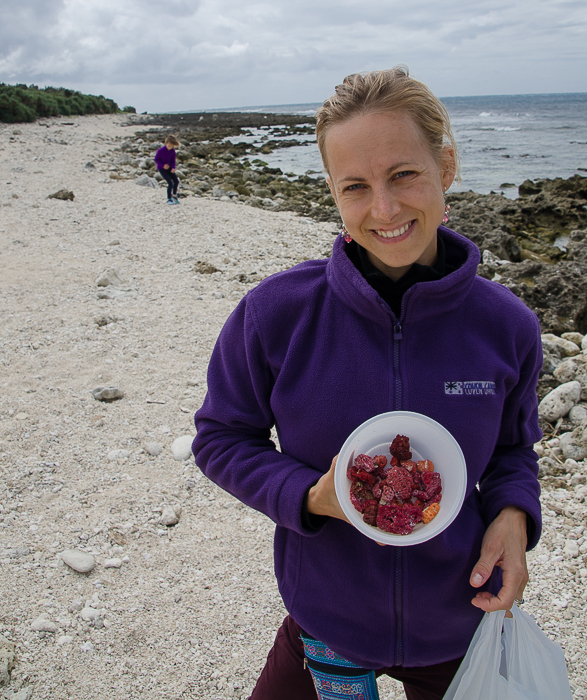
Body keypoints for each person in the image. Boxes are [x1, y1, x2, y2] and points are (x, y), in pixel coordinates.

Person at [192, 67, 542, 700]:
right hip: (326, 619)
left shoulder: (507, 326)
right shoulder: (277, 314)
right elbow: (220, 436)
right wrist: (309, 496)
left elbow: (515, 449)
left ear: (447, 165)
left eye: (403, 174)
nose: (383, 209)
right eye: (356, 186)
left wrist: (515, 515)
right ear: (333, 191)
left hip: (461, 619)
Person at [154, 135, 180, 204]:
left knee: (176, 181)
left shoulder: (173, 151)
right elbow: (156, 159)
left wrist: (173, 168)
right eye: (169, 145)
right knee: (170, 183)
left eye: (171, 146)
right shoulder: (160, 150)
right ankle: (169, 198)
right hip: (162, 169)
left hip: (169, 168)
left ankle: (174, 195)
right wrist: (163, 165)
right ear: (166, 143)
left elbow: (173, 161)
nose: (170, 147)